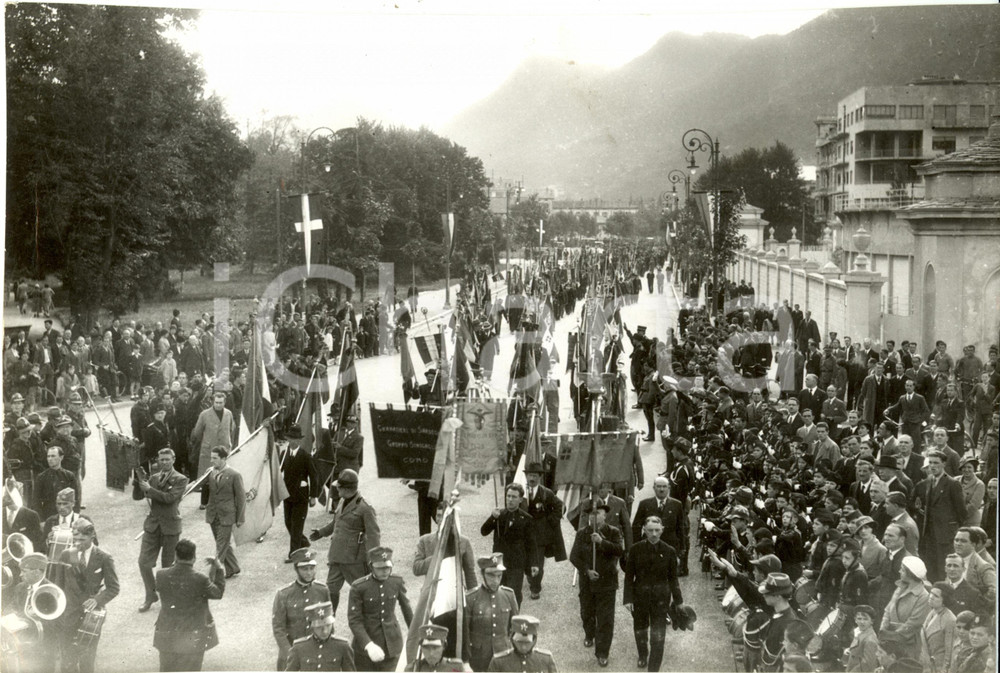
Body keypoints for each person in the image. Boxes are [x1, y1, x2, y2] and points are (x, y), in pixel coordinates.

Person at [309, 468, 381, 615]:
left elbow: (374, 536)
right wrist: (321, 532)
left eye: (338, 487)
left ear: (346, 489)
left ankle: (371, 619)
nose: (336, 489)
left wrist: (374, 560)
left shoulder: (365, 508)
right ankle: (329, 620)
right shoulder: (342, 501)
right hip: (336, 556)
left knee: (363, 590)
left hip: (353, 559)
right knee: (330, 590)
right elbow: (336, 522)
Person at [152, 538, 225, 672]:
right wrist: (218, 569)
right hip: (192, 638)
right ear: (194, 557)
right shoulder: (200, 579)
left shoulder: (161, 575)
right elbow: (217, 593)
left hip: (167, 635)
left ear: (176, 555)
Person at [623, 516, 684, 672]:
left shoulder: (669, 551)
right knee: (640, 630)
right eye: (650, 530)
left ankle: (653, 668)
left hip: (660, 600)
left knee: (658, 636)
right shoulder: (635, 550)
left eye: (657, 530)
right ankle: (643, 655)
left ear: (662, 530)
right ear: (644, 530)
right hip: (640, 598)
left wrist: (678, 601)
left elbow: (673, 579)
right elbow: (629, 577)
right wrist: (628, 599)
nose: (654, 534)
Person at [569, 500, 623, 668]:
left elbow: (619, 550)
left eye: (598, 513)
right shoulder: (582, 533)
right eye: (591, 514)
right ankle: (589, 634)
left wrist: (601, 542)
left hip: (606, 582)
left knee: (606, 619)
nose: (594, 516)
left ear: (605, 515)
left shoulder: (613, 532)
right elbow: (574, 557)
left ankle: (602, 652)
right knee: (587, 612)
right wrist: (586, 571)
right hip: (587, 583)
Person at [137, 448, 189, 613]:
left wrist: (150, 489)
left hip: (170, 527)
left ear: (173, 459)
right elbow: (140, 495)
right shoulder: (153, 478)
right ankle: (151, 594)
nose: (164, 462)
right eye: (161, 460)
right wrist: (140, 483)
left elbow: (170, 498)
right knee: (143, 563)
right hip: (152, 526)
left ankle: (168, 599)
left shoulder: (181, 479)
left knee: (167, 567)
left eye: (167, 459)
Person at [347, 546, 413, 672]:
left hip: (392, 645)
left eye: (387, 567)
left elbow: (407, 610)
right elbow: (354, 620)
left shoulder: (396, 582)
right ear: (371, 566)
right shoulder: (359, 587)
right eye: (380, 568)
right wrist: (368, 644)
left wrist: (415, 634)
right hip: (365, 648)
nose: (385, 571)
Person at [272, 547, 332, 670]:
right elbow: (279, 629)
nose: (309, 572)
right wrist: (290, 654)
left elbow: (329, 622)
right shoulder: (283, 594)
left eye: (312, 568)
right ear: (296, 569)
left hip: (316, 652)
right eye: (304, 569)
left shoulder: (322, 590)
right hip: (291, 651)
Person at [480, 483, 539, 606]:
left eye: (514, 497)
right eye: (508, 496)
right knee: (498, 592)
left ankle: (514, 618)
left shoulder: (526, 519)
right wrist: (492, 517)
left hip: (516, 563)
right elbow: (484, 531)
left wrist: (534, 563)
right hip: (499, 561)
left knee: (514, 593)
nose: (510, 500)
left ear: (520, 499)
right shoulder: (498, 515)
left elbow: (532, 544)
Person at [915, 451, 968, 581]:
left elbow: (962, 512)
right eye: (930, 463)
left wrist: (952, 530)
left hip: (945, 535)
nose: (932, 466)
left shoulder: (952, 484)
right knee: (930, 567)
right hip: (929, 533)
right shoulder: (929, 480)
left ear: (943, 464)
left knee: (942, 569)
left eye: (936, 463)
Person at [466, 553, 519, 672]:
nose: (496, 580)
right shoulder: (471, 598)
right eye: (491, 575)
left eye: (499, 576)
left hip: (504, 654)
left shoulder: (508, 595)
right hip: (479, 658)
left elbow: (515, 629)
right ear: (482, 574)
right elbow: (465, 633)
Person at [520, 462, 565, 600]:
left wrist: (549, 521)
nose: (531, 478)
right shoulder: (519, 492)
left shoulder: (547, 493)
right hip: (523, 533)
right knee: (525, 558)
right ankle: (530, 577)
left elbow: (561, 507)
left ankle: (535, 588)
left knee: (538, 561)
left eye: (534, 475)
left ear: (540, 477)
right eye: (529, 475)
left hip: (539, 535)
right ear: (526, 476)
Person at [413, 501, 477, 590]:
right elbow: (416, 569)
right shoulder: (425, 540)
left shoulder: (463, 542)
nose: (441, 520)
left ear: (452, 519)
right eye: (438, 515)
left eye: (445, 516)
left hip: (455, 593)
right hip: (432, 593)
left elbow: (470, 574)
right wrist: (436, 557)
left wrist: (473, 598)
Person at [280, 425, 321, 561]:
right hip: (287, 495)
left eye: (296, 439)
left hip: (301, 496)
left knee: (296, 525)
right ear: (287, 439)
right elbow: (277, 470)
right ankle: (302, 542)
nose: (293, 442)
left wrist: (313, 496)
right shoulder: (284, 454)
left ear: (300, 441)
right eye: (291, 438)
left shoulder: (305, 456)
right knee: (288, 523)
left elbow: (313, 476)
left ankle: (294, 554)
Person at [204, 445, 245, 578]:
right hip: (213, 514)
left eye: (215, 458)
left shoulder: (234, 475)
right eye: (211, 458)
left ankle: (213, 576)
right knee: (222, 543)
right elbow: (198, 485)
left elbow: (241, 498)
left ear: (223, 458)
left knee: (221, 545)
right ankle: (233, 567)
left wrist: (240, 518)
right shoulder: (210, 472)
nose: (212, 461)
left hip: (227, 515)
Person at [189, 391, 235, 507]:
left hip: (224, 450)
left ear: (224, 402)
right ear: (213, 402)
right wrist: (207, 442)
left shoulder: (228, 413)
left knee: (223, 475)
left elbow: (231, 429)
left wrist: (229, 444)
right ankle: (204, 502)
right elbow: (197, 432)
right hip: (209, 450)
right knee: (207, 476)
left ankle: (220, 501)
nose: (218, 405)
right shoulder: (204, 414)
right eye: (216, 402)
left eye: (221, 403)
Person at [879, 556, 931, 654]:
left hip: (908, 646)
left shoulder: (923, 596)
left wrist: (891, 637)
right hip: (888, 642)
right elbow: (888, 610)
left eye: (902, 570)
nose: (899, 571)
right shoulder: (900, 588)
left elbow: (913, 624)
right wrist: (883, 630)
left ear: (910, 574)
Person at [286, 601, 356, 671]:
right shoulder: (299, 648)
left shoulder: (343, 647)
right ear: (311, 626)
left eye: (328, 625)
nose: (325, 631)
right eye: (319, 627)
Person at [487, 615, 557, 673]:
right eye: (519, 642)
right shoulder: (498, 662)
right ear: (512, 639)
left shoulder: (546, 659)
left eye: (527, 643)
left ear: (534, 640)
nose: (523, 647)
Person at [33, 445, 80, 520]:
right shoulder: (41, 477)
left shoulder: (69, 476)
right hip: (48, 517)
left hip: (66, 516)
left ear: (61, 458)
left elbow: (76, 499)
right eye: (48, 456)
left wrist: (75, 517)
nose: (50, 459)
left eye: (53, 456)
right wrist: (41, 520)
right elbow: (36, 502)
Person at [919, 582, 956, 673]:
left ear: (945, 600)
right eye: (931, 593)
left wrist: (944, 670)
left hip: (938, 667)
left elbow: (949, 651)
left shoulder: (950, 619)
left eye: (936, 596)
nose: (931, 597)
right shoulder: (932, 612)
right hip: (926, 664)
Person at [951, 528, 996, 604]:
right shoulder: (952, 558)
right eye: (956, 540)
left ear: (973, 545)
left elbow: (994, 592)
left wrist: (975, 606)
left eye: (963, 541)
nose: (958, 543)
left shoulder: (984, 566)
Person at [845, 605, 880, 672]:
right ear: (855, 620)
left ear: (871, 621)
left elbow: (868, 665)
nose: (862, 622)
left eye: (865, 619)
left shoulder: (870, 640)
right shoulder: (860, 632)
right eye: (859, 618)